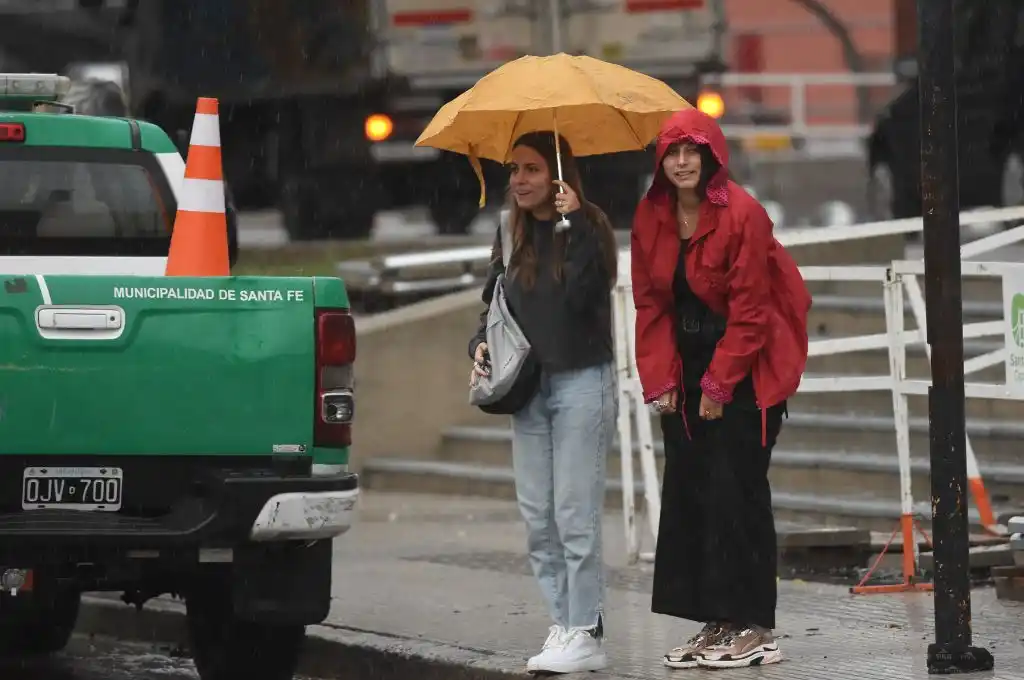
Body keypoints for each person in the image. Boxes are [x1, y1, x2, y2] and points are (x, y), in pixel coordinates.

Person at [629, 108, 811, 670]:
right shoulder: (651, 215)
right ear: (661, 161)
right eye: (672, 152)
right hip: (685, 364)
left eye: (693, 152)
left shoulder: (743, 214)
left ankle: (756, 627)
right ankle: (718, 621)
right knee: (694, 496)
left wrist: (718, 384)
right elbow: (650, 303)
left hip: (747, 368)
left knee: (739, 492)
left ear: (711, 158)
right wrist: (660, 379)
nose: (682, 162)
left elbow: (752, 312)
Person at [468, 131, 619, 674]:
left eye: (531, 169)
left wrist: (574, 224)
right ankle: (562, 624)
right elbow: (491, 305)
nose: (519, 180)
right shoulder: (509, 232)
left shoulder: (590, 226)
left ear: (558, 174)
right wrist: (479, 343)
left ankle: (586, 630)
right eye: (514, 170)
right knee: (538, 518)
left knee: (574, 515)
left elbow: (585, 299)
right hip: (527, 390)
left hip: (582, 384)